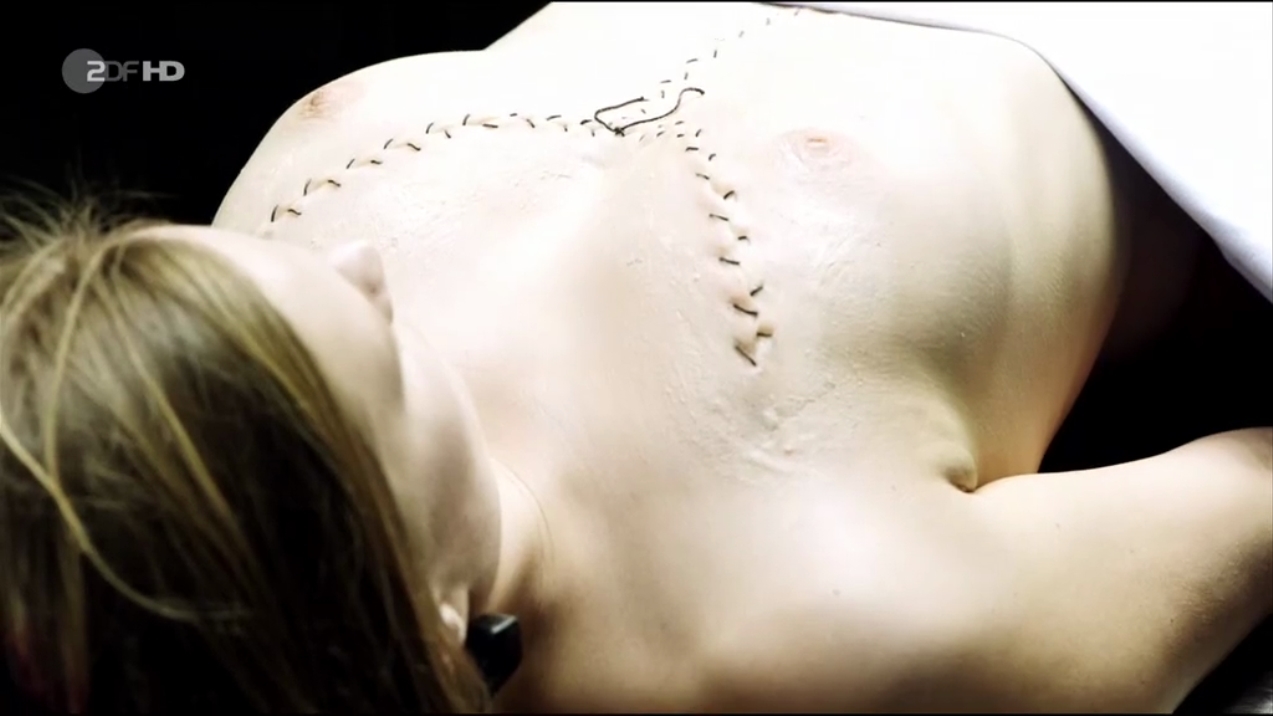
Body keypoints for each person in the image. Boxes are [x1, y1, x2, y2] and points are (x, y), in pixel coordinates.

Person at [4, 2, 1270, 712]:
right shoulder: (816, 628)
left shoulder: (188, 360)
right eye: (385, 355)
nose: (361, 265)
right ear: (431, 621)